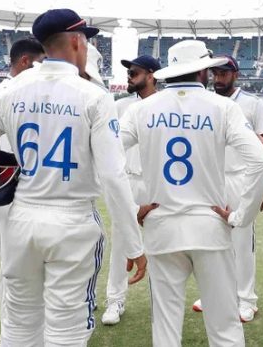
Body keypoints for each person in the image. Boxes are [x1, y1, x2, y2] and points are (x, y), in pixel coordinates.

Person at [0, 8, 146, 347]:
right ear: (78, 42)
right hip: (73, 222)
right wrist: (134, 243)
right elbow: (113, 175)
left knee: (19, 328)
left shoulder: (11, 89)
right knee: (66, 333)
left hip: (20, 221)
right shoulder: (94, 96)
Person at [119, 39, 263, 347]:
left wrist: (133, 207)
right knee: (225, 328)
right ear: (202, 71)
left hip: (162, 227)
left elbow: (107, 160)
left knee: (165, 329)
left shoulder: (141, 109)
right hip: (210, 228)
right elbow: (260, 162)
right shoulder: (224, 107)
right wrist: (241, 216)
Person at [191, 54, 263, 322]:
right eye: (215, 73)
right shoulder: (207, 103)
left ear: (235, 74)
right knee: (213, 239)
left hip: (241, 178)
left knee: (242, 240)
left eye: (224, 73)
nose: (218, 78)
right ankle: (219, 294)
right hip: (211, 179)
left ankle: (247, 299)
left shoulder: (252, 104)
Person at [0, 37, 46, 336]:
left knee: (23, 270)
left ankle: (22, 330)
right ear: (25, 62)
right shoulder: (8, 92)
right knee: (13, 271)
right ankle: (11, 331)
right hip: (12, 193)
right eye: (40, 62)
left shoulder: (18, 92)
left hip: (20, 193)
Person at [101, 54, 161, 325]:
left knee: (162, 248)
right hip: (126, 182)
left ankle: (161, 303)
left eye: (135, 72)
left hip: (157, 187)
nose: (129, 75)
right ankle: (115, 300)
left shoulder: (165, 106)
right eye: (128, 72)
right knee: (122, 244)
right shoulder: (121, 106)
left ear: (151, 75)